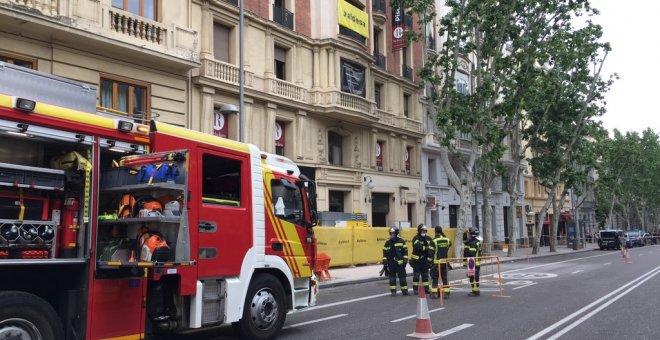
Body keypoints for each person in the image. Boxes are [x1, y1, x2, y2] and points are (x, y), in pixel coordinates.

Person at [382, 226, 409, 296]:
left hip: (400, 264)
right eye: (390, 233)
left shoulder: (402, 241)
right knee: (392, 279)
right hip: (391, 264)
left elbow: (405, 252)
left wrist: (405, 261)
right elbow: (384, 252)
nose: (391, 235)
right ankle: (393, 291)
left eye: (393, 233)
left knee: (403, 278)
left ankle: (404, 291)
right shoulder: (387, 243)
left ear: (396, 233)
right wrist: (385, 261)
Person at [429, 226, 452, 299]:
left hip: (436, 263)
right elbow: (449, 244)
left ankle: (434, 294)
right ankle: (447, 293)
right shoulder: (447, 240)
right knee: (444, 278)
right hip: (444, 263)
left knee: (435, 278)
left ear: (435, 231)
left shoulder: (433, 241)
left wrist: (429, 263)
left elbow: (430, 253)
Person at [411, 224, 432, 295]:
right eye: (422, 230)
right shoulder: (415, 238)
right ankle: (415, 290)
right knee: (416, 276)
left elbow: (431, 247)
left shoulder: (429, 238)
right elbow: (418, 247)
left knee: (425, 276)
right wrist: (426, 248)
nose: (424, 231)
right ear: (419, 230)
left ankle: (426, 289)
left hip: (425, 261)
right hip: (417, 261)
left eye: (425, 230)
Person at [463, 227, 482, 296]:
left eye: (469, 233)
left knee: (473, 277)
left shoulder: (473, 243)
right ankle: (475, 290)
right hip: (475, 262)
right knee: (473, 277)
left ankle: (476, 291)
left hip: (472, 262)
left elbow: (471, 253)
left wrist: (466, 252)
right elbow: (466, 242)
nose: (468, 235)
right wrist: (464, 235)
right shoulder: (475, 241)